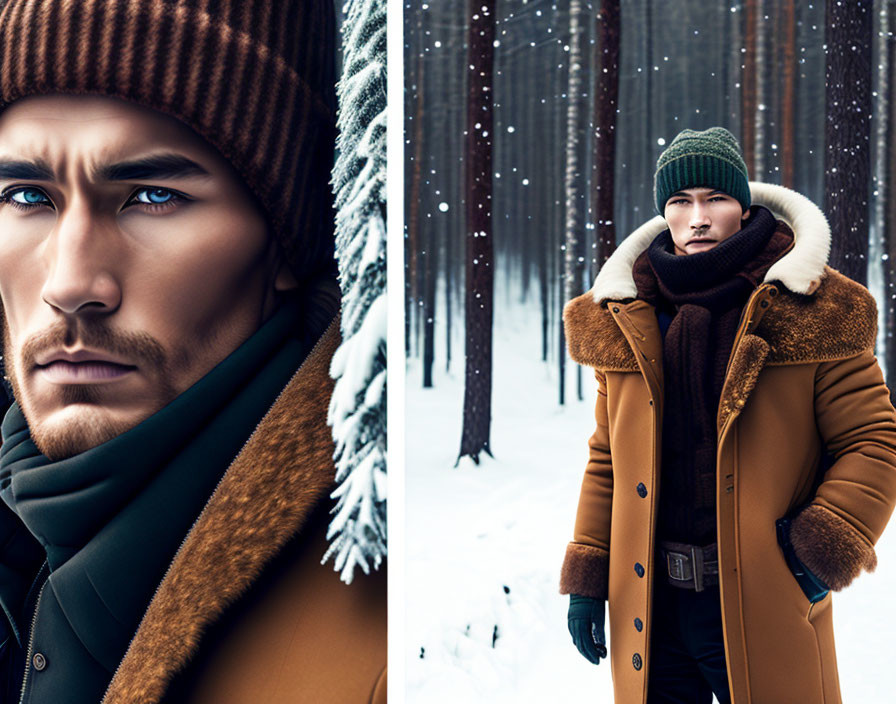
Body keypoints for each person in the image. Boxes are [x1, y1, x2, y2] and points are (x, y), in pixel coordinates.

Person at [0, 2, 386, 703]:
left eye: (152, 195)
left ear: (286, 239)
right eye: (27, 195)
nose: (70, 285)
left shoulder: (379, 637)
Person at [559, 127, 896, 703]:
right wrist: (590, 573)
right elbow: (608, 457)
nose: (698, 217)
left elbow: (873, 442)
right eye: (679, 202)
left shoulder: (813, 306)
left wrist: (813, 552)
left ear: (742, 205)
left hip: (764, 599)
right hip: (653, 609)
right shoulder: (627, 313)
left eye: (714, 198)